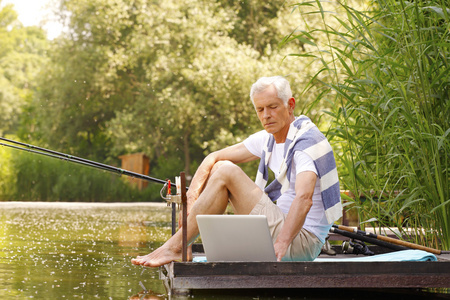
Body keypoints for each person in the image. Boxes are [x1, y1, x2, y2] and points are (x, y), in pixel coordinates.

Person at [131, 76, 342, 267]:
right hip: (284, 230)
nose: (266, 115)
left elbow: (304, 199)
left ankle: (174, 247)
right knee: (221, 167)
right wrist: (191, 198)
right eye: (260, 109)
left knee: (227, 172)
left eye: (273, 107)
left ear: (290, 105)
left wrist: (282, 244)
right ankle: (182, 244)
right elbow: (212, 157)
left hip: (299, 242)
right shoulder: (269, 138)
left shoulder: (305, 143)